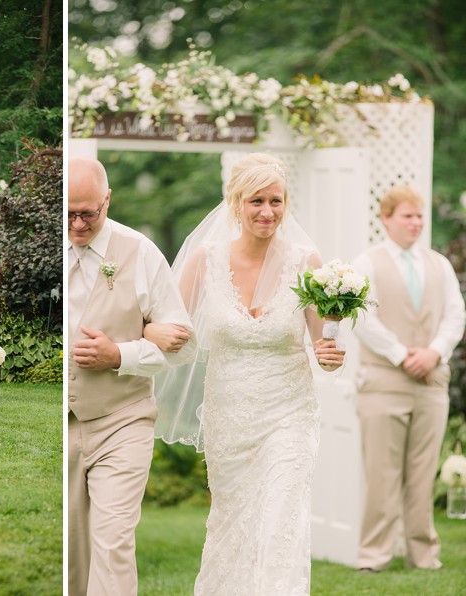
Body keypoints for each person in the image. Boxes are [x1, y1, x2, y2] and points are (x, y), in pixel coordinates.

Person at [150, 153, 345, 595]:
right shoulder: (206, 259)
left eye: (276, 201)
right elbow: (167, 322)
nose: (267, 212)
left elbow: (321, 342)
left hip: (289, 413)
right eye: (256, 200)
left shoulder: (305, 260)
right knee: (231, 523)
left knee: (280, 523)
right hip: (229, 417)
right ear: (235, 203)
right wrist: (154, 333)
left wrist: (332, 354)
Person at [67, 157, 196, 596]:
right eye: (68, 213)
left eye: (88, 212)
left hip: (123, 419)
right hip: (61, 424)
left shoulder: (139, 251)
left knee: (113, 542)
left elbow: (182, 343)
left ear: (108, 200)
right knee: (71, 550)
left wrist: (119, 353)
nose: (78, 224)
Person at [352, 184, 465, 572]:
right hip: (383, 380)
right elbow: (362, 317)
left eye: (419, 216)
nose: (416, 222)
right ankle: (374, 556)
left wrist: (434, 352)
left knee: (422, 474)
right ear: (386, 219)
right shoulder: (366, 262)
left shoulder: (439, 264)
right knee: (382, 474)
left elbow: (456, 314)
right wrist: (402, 355)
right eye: (407, 216)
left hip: (431, 381)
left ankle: (423, 554)